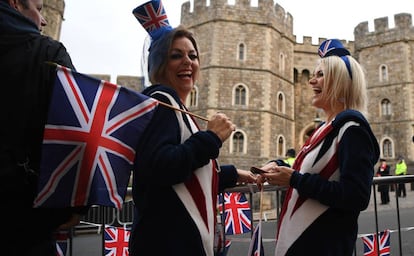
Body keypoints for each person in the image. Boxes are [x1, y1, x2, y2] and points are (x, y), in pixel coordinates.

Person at [129, 1, 257, 255]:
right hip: (167, 244)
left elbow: (187, 174)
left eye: (193, 55)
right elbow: (161, 168)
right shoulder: (162, 100)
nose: (188, 62)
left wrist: (231, 174)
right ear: (159, 64)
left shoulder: (177, 108)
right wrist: (212, 138)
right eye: (176, 56)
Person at [258, 39, 380, 256]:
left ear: (341, 81)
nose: (312, 80)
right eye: (314, 74)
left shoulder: (352, 129)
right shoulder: (324, 129)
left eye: (321, 75)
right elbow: (310, 168)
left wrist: (294, 180)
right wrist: (277, 166)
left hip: (324, 246)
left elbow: (356, 196)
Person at [0, 0, 86, 255]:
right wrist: (75, 205)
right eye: (39, 8)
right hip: (23, 223)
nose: (45, 20)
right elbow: (79, 133)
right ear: (15, 3)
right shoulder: (48, 55)